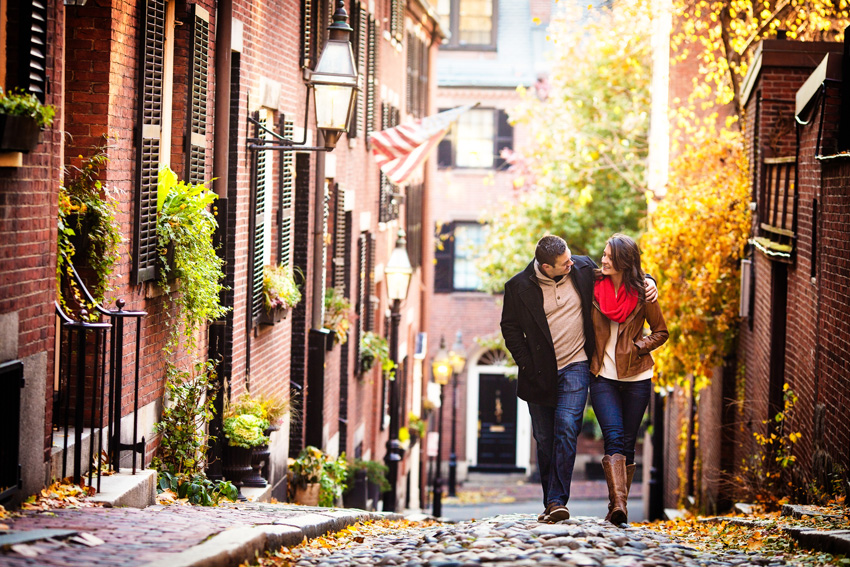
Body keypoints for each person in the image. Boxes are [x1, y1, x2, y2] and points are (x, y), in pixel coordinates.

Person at [500, 235, 657, 523]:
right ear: (547, 267)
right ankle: (551, 501)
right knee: (545, 438)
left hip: (576, 365)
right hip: (539, 374)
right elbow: (509, 328)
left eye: (571, 257)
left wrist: (650, 280)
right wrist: (525, 362)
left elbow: (622, 271)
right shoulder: (518, 287)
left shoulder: (582, 269)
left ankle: (559, 501)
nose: (572, 263)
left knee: (567, 429)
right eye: (564, 263)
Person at [589, 234, 668, 525]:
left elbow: (661, 331)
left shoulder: (642, 293)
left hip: (637, 376)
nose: (604, 259)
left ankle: (615, 508)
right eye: (605, 254)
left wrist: (639, 346)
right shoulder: (593, 285)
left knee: (627, 441)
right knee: (613, 437)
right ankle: (620, 505)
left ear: (623, 261)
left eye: (609, 256)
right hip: (602, 376)